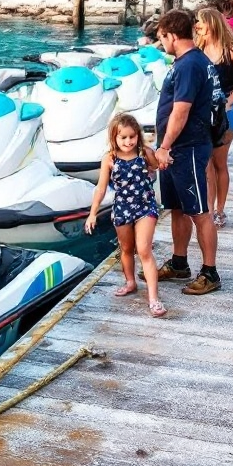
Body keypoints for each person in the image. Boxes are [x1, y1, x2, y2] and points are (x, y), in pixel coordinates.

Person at [146, 9, 223, 296]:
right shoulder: (187, 61)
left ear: (172, 35)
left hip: (186, 147)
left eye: (161, 38)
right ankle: (180, 262)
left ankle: (210, 272)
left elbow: (182, 110)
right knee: (177, 208)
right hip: (176, 147)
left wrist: (164, 146)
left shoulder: (190, 64)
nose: (161, 43)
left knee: (200, 212)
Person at [86, 113, 165, 317]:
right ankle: (130, 281)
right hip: (122, 208)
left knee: (144, 249)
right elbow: (101, 188)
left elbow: (157, 166)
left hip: (145, 206)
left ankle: (154, 298)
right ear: (114, 138)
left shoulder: (144, 153)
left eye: (132, 136)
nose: (128, 141)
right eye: (123, 137)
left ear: (137, 136)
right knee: (127, 248)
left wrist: (161, 160)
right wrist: (92, 213)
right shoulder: (109, 159)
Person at [195, 7, 233, 228]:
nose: (197, 26)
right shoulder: (198, 49)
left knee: (219, 162)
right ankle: (209, 209)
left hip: (226, 111)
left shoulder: (231, 48)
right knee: (206, 163)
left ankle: (220, 210)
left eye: (200, 22)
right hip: (203, 112)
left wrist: (232, 98)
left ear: (211, 23)